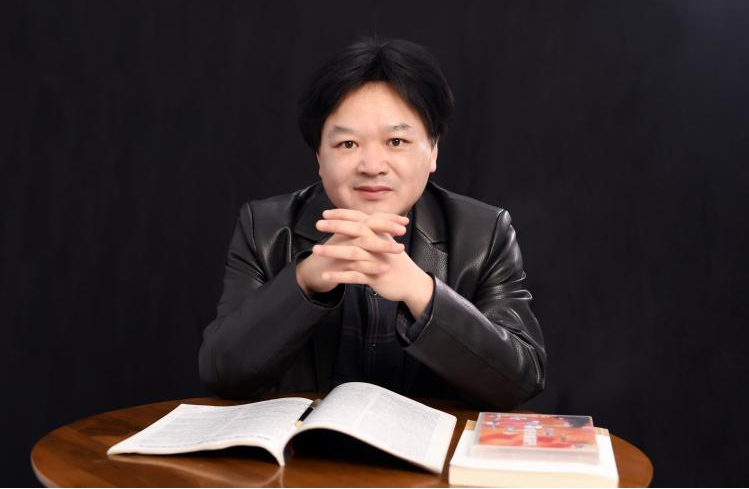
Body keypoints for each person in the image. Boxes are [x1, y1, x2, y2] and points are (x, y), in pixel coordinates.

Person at [199, 37, 546, 410]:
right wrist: (305, 280)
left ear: (433, 150)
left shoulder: (483, 233)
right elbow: (224, 374)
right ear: (319, 156)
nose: (372, 166)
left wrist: (421, 292)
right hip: (304, 447)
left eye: (396, 141)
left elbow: (520, 380)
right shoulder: (266, 228)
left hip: (431, 448)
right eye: (347, 144)